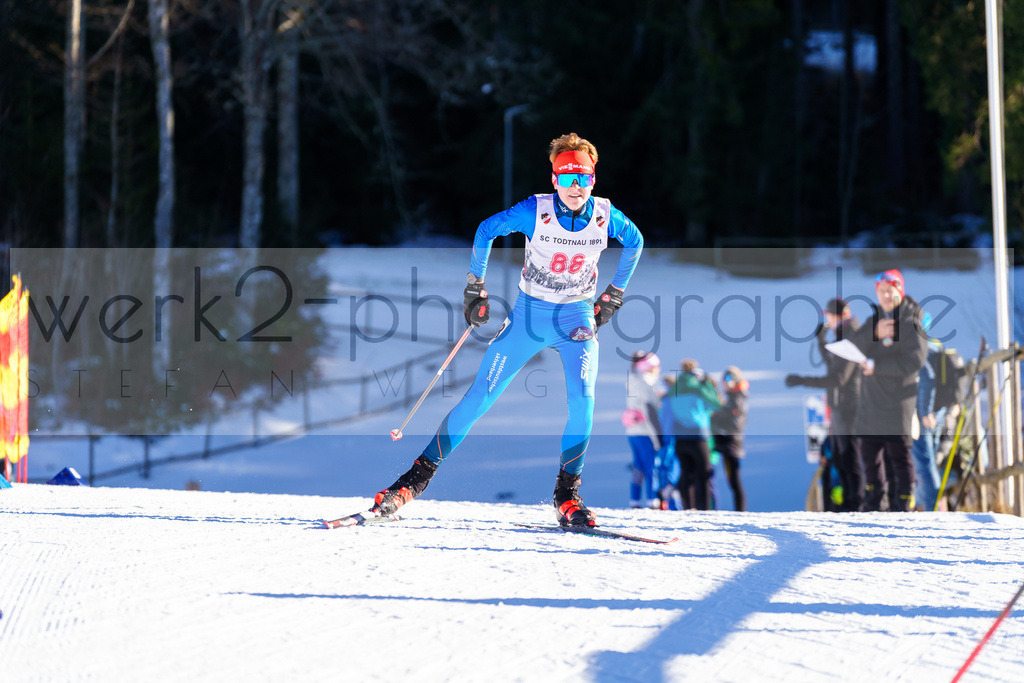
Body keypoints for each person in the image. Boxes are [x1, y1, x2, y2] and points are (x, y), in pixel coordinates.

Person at [369, 132, 644, 527]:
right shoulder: (537, 210)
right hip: (529, 319)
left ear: (594, 179)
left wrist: (614, 294)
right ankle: (411, 482)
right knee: (479, 398)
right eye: (566, 178)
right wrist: (474, 287)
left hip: (576, 320)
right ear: (554, 180)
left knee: (584, 403)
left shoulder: (605, 215)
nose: (575, 187)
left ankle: (567, 496)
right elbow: (486, 230)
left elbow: (634, 242)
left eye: (582, 177)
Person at [849, 269, 928, 512]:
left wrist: (877, 365)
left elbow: (915, 361)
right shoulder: (875, 320)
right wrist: (874, 334)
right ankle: (874, 506)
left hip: (897, 403)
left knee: (899, 459)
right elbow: (853, 346)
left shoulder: (911, 320)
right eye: (881, 291)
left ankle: (903, 506)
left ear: (899, 291)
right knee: (869, 457)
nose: (885, 295)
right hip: (871, 402)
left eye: (889, 290)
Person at [784, 297, 863, 511]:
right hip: (840, 406)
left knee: (850, 459)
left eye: (828, 315)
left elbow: (839, 379)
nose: (827, 319)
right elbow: (833, 366)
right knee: (839, 457)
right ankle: (848, 504)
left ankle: (855, 505)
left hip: (849, 406)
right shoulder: (844, 335)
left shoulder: (851, 336)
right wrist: (821, 342)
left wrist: (802, 380)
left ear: (837, 315)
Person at [660, 359, 722, 510]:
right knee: (704, 473)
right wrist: (706, 384)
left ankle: (688, 508)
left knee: (686, 473)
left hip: (680, 436)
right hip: (698, 435)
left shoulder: (674, 387)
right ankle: (705, 509)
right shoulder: (698, 387)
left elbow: (665, 408)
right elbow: (716, 404)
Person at [623, 350, 664, 508]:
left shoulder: (633, 381)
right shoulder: (646, 385)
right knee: (651, 465)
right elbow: (650, 412)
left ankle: (634, 500)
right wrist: (657, 436)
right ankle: (652, 500)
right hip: (644, 431)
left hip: (632, 432)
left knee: (639, 465)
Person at [711, 366, 749, 511]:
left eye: (728, 379)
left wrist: (717, 418)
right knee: (732, 479)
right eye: (724, 379)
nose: (725, 383)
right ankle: (739, 511)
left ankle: (740, 512)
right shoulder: (733, 397)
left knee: (734, 479)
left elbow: (736, 423)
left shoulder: (737, 397)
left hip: (731, 442)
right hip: (727, 441)